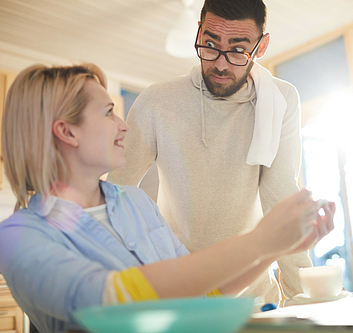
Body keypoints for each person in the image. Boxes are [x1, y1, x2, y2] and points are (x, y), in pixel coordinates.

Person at [0, 63, 334, 333]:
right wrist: (259, 241)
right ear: (67, 131)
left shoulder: (136, 203)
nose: (123, 125)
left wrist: (275, 248)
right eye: (108, 111)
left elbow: (200, 295)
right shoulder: (18, 236)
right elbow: (110, 301)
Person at [108, 0, 308, 304]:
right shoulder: (156, 102)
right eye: (210, 44)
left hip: (254, 296)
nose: (221, 64)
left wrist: (303, 295)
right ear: (199, 32)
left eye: (239, 50)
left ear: (261, 46)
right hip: (182, 292)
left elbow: (280, 194)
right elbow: (116, 196)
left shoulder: (281, 100)